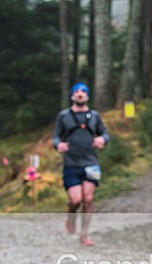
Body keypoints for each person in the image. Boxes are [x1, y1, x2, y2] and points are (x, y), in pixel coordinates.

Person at [53, 82, 109, 246]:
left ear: (87, 96)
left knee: (88, 199)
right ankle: (71, 214)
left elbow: (105, 134)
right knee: (76, 200)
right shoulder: (63, 116)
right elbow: (56, 137)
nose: (80, 94)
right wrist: (58, 145)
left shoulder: (95, 116)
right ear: (72, 96)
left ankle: (84, 235)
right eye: (76, 91)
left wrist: (102, 139)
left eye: (83, 91)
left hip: (91, 163)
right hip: (71, 164)